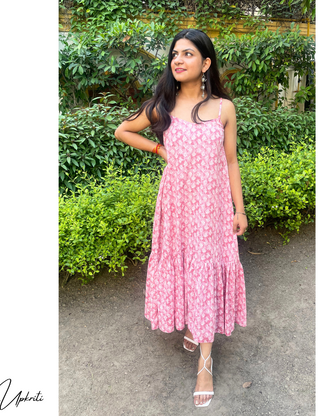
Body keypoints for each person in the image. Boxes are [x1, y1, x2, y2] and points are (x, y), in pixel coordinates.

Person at [115, 28, 247, 408]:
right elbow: (123, 131)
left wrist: (239, 210)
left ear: (205, 64)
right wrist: (159, 147)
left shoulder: (223, 108)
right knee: (186, 267)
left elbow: (231, 160)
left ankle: (205, 362)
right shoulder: (162, 106)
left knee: (205, 269)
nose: (178, 59)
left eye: (187, 54)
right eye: (175, 54)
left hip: (212, 207)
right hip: (175, 205)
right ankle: (194, 322)